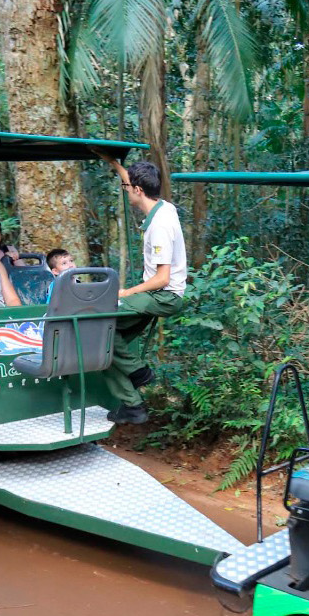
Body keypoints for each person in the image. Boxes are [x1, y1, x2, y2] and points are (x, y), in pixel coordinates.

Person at [100, 159, 185, 424]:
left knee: (98, 323)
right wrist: (114, 164)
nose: (125, 190)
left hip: (163, 296)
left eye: (127, 187)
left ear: (138, 190)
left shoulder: (160, 225)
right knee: (101, 341)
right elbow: (135, 182)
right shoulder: (164, 207)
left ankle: (138, 372)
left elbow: (162, 278)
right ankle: (132, 406)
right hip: (158, 294)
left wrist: (128, 292)